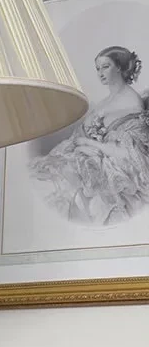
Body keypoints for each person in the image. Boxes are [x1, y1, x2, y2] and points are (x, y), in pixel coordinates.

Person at [28, 45, 149, 225]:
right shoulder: (106, 100)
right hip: (83, 151)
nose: (100, 73)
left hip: (108, 163)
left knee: (64, 184)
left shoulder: (131, 102)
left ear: (119, 67)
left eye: (105, 67)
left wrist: (89, 144)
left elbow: (129, 153)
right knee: (44, 175)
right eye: (98, 68)